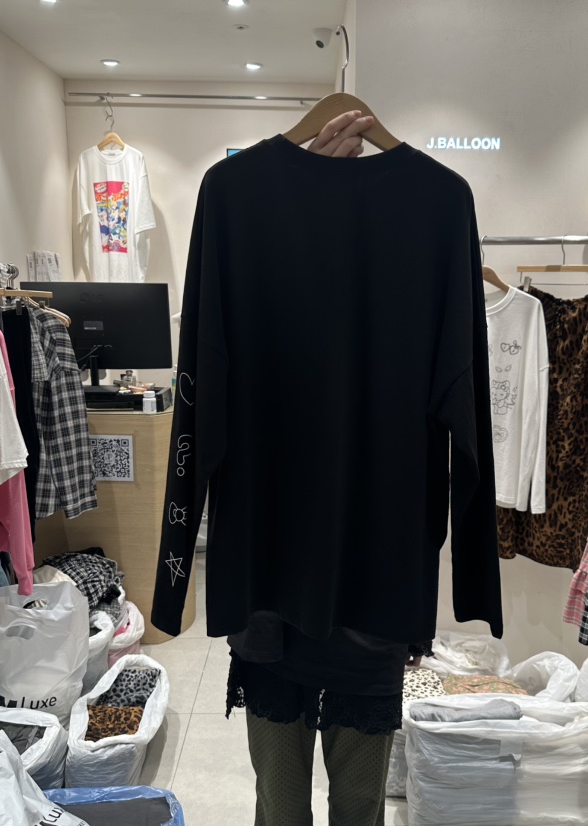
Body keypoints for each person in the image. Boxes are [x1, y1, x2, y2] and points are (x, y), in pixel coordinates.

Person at [226, 110, 427, 826]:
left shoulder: (417, 239)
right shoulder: (246, 232)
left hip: (371, 593)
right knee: (280, 805)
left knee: (359, 805)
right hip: (272, 597)